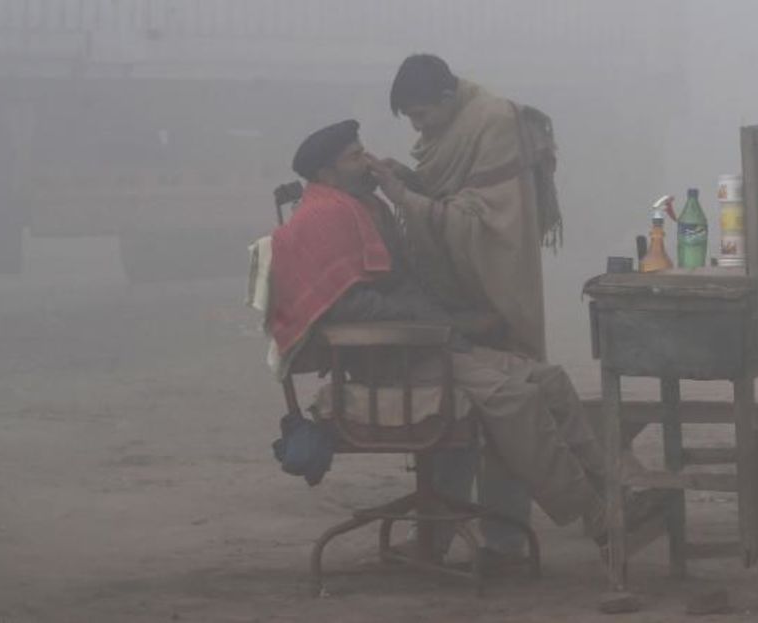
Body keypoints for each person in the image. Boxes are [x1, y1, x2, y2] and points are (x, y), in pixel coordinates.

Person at [269, 120, 664, 562]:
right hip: (390, 360)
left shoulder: (364, 208)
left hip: (427, 345)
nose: (367, 161)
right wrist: (437, 323)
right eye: (354, 157)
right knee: (517, 399)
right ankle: (598, 517)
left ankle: (617, 492)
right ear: (326, 173)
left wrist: (452, 319)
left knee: (547, 378)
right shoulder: (324, 216)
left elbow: (402, 281)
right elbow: (349, 310)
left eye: (364, 151)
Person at [369, 54, 563, 560]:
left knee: (508, 416)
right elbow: (449, 196)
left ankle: (504, 540)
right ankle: (438, 528)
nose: (418, 127)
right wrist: (410, 182)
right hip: (453, 296)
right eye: (409, 120)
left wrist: (404, 198)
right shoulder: (456, 127)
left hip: (495, 285)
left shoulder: (495, 121)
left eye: (422, 117)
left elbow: (480, 223)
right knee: (449, 407)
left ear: (449, 100)